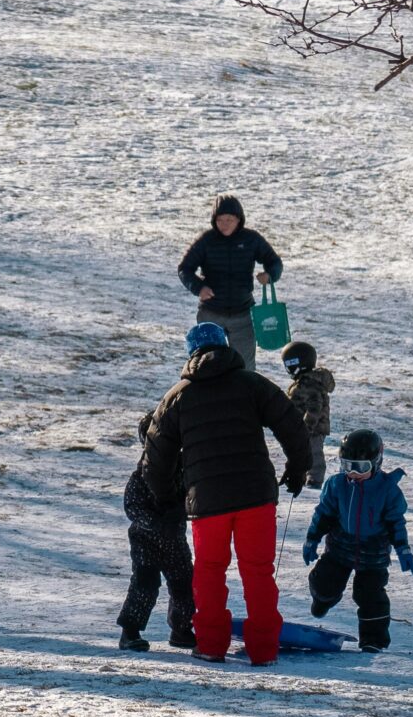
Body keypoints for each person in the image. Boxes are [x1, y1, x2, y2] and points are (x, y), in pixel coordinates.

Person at [140, 320, 309, 664]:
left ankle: (212, 644)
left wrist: (164, 495)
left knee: (209, 571)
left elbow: (156, 455)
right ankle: (263, 650)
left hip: (207, 501)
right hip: (256, 496)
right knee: (258, 571)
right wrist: (297, 467)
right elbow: (290, 421)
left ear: (191, 352)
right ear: (226, 345)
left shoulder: (177, 397)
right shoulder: (252, 384)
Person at [303, 429, 413, 652]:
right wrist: (312, 539)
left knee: (370, 596)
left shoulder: (388, 490)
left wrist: (403, 549)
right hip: (340, 548)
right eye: (347, 465)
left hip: (374, 554)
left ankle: (374, 641)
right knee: (324, 582)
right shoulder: (337, 485)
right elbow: (324, 514)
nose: (353, 472)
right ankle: (322, 600)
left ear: (376, 463)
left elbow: (395, 522)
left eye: (361, 467)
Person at [115, 402, 194, 654]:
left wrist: (182, 513)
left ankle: (181, 629)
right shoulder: (141, 474)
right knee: (144, 584)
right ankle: (130, 631)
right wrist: (156, 523)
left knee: (185, 585)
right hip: (145, 540)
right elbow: (133, 506)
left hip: (175, 540)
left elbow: (192, 497)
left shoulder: (182, 470)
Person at [177, 195, 283, 369]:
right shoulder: (206, 240)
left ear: (238, 220)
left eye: (229, 219)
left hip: (243, 314)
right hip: (211, 314)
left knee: (245, 366)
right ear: (214, 220)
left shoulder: (251, 239)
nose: (224, 224)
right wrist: (198, 287)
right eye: (220, 219)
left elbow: (275, 262)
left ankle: (244, 396)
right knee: (207, 364)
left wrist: (270, 275)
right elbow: (184, 268)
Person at [281, 340, 336, 488]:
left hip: (312, 429)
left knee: (314, 453)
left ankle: (315, 479)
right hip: (303, 428)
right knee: (303, 452)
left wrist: (306, 427)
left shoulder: (309, 384)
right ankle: (304, 476)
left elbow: (314, 408)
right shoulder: (303, 382)